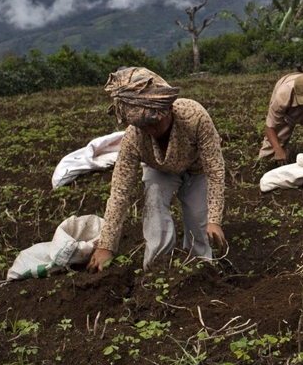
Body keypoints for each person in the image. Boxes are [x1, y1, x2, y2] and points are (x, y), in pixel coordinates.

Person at [87, 67, 227, 272]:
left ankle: (201, 268)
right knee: (154, 206)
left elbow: (214, 168)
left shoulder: (194, 117)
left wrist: (214, 220)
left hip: (197, 169)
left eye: (154, 123)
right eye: (143, 127)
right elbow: (119, 193)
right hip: (159, 170)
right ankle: (156, 268)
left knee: (199, 222)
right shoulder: (134, 138)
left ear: (168, 110)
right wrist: (107, 245)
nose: (150, 131)